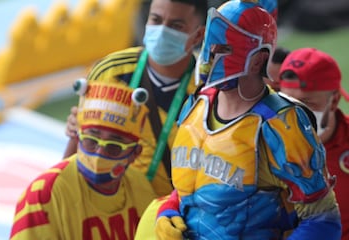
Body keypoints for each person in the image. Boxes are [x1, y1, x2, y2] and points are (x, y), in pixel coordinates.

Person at [136, 1, 342, 239]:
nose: (210, 57)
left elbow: (323, 219)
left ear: (257, 59)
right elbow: (192, 186)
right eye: (208, 47)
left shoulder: (282, 125)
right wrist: (170, 209)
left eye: (222, 49)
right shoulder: (196, 104)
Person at [64, 0, 207, 197]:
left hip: (163, 216)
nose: (162, 31)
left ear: (198, 34)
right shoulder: (110, 71)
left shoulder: (206, 91)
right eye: (156, 20)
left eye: (176, 26)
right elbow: (75, 149)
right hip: (105, 206)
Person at [9, 80, 157, 239]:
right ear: (78, 138)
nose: (99, 153)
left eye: (114, 147)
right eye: (91, 141)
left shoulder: (139, 186)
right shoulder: (43, 194)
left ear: (135, 153)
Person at [279, 47, 349, 239]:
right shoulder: (263, 140)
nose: (294, 115)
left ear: (333, 101)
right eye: (286, 103)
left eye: (307, 104)